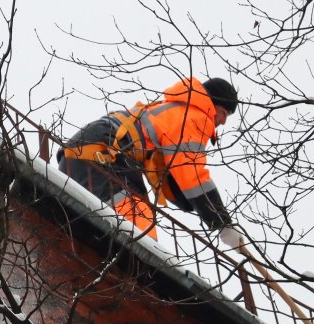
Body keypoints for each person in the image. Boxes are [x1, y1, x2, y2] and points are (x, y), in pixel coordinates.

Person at [57, 77, 244, 247]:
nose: (222, 121)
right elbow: (191, 174)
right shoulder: (195, 117)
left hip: (82, 154)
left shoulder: (174, 111)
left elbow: (172, 176)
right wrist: (222, 222)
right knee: (138, 221)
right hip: (104, 152)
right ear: (210, 103)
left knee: (101, 228)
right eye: (222, 113)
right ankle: (137, 280)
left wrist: (194, 204)